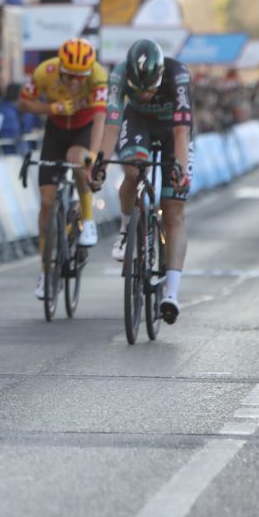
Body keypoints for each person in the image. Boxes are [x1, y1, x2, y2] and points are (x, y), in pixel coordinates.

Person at [96, 38, 192, 325]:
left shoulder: (178, 75)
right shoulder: (118, 75)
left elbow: (181, 133)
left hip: (173, 130)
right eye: (139, 90)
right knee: (132, 171)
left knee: (173, 211)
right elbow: (112, 122)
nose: (146, 94)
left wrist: (180, 168)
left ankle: (171, 294)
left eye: (150, 89)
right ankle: (127, 229)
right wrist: (100, 161)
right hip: (138, 124)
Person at [18, 37, 108, 301]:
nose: (73, 83)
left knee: (77, 158)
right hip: (55, 130)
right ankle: (46, 272)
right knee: (46, 203)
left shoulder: (99, 74)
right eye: (69, 76)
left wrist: (93, 154)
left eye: (80, 78)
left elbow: (101, 116)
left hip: (84, 129)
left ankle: (88, 221)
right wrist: (50, 108)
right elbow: (23, 104)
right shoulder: (44, 72)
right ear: (60, 68)